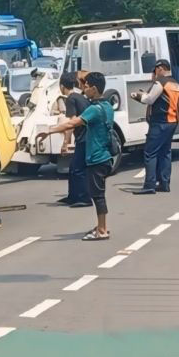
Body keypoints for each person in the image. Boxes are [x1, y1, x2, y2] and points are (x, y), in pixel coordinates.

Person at [36, 72, 115, 240]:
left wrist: (49, 131)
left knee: (98, 196)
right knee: (98, 194)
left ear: (94, 88)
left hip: (97, 157)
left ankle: (102, 230)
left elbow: (72, 123)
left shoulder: (94, 109)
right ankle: (101, 226)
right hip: (105, 155)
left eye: (86, 86)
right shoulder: (107, 106)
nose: (84, 89)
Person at [131, 59, 179, 195]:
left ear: (160, 69)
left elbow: (149, 99)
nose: (153, 73)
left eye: (155, 70)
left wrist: (137, 96)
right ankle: (165, 183)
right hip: (172, 121)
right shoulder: (175, 84)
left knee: (150, 153)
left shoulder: (160, 82)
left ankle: (149, 185)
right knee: (165, 152)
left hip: (160, 122)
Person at [56, 72, 92, 207]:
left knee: (78, 169)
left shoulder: (70, 99)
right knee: (73, 168)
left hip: (83, 137)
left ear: (62, 86)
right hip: (88, 136)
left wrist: (65, 143)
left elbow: (72, 123)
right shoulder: (80, 97)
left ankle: (84, 198)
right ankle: (72, 196)